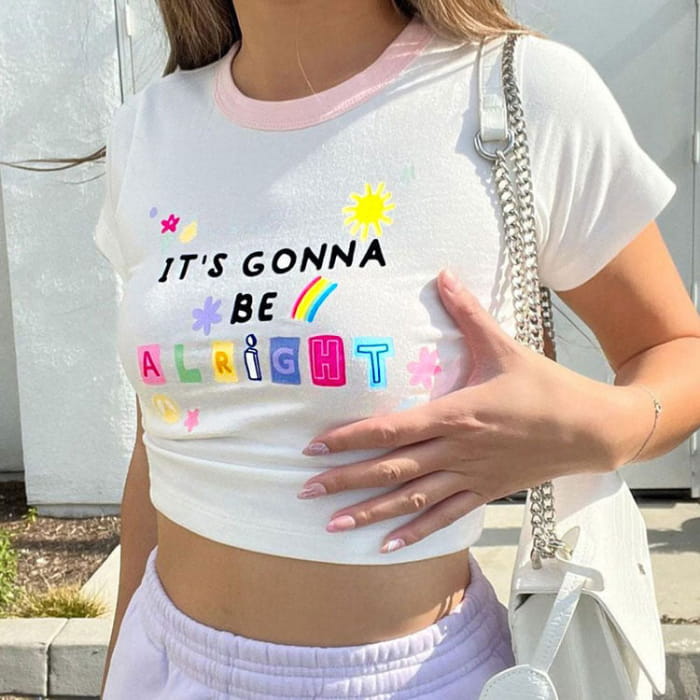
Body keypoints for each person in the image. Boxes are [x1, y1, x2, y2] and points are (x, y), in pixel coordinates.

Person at [31, 0, 697, 698]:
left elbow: (676, 348)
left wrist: (600, 431)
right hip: (162, 664)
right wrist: (121, 670)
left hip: (417, 680)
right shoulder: (149, 128)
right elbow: (161, 442)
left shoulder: (519, 93)